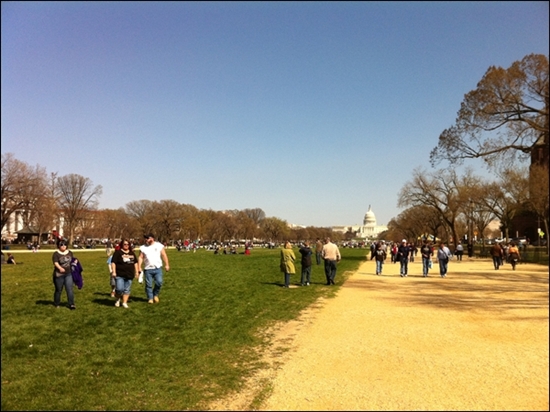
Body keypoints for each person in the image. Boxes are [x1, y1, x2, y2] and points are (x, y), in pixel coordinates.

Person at [138, 233, 170, 304]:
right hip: (148, 269)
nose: (146, 240)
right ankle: (150, 298)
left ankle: (155, 294)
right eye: (145, 238)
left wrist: (167, 264)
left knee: (159, 282)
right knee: (148, 284)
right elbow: (140, 257)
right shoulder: (143, 248)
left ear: (152, 238)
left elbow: (164, 255)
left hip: (157, 268)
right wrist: (139, 267)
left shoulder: (159, 245)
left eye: (148, 238)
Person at [111, 239, 139, 308]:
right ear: (122, 245)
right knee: (119, 289)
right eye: (125, 244)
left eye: (128, 244)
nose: (126, 246)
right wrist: (114, 271)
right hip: (120, 274)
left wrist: (137, 272)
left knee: (127, 289)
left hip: (129, 274)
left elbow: (135, 263)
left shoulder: (132, 253)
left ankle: (124, 302)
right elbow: (113, 262)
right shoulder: (118, 253)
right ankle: (117, 299)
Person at [52, 239, 76, 309]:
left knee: (69, 289)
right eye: (61, 245)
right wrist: (60, 268)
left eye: (65, 244)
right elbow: (55, 263)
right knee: (58, 290)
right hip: (59, 275)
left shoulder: (70, 252)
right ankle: (57, 303)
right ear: (58, 246)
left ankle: (71, 304)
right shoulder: (56, 254)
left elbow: (72, 261)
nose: (63, 246)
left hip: (68, 274)